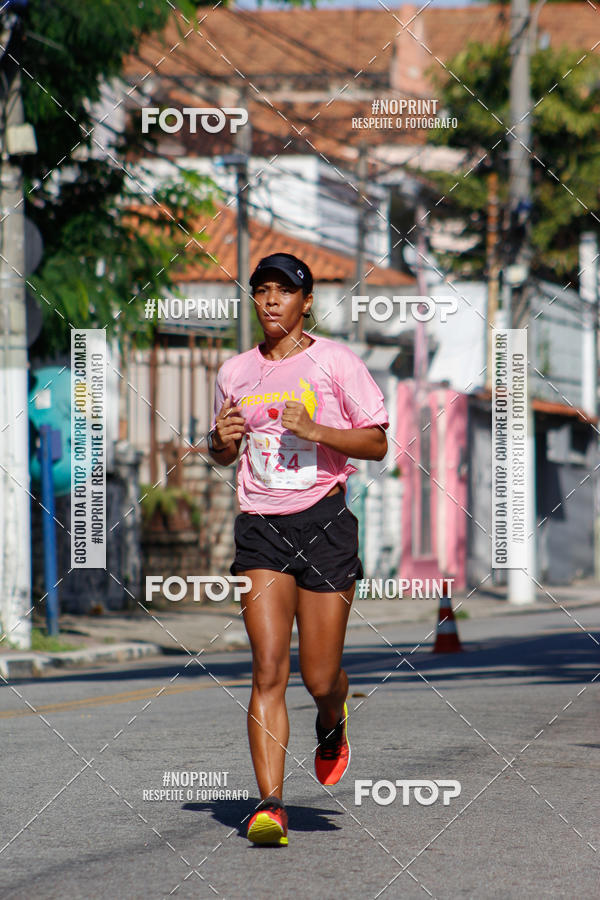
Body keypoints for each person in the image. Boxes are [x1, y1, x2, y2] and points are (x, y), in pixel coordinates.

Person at [207, 252, 389, 846]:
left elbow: (378, 443)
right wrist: (218, 442)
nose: (271, 301)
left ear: (305, 301)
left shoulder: (335, 361)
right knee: (267, 671)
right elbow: (224, 451)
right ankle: (269, 806)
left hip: (324, 522)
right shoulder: (235, 372)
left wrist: (316, 431)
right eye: (262, 291)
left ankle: (333, 721)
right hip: (260, 527)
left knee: (318, 675)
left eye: (284, 292)